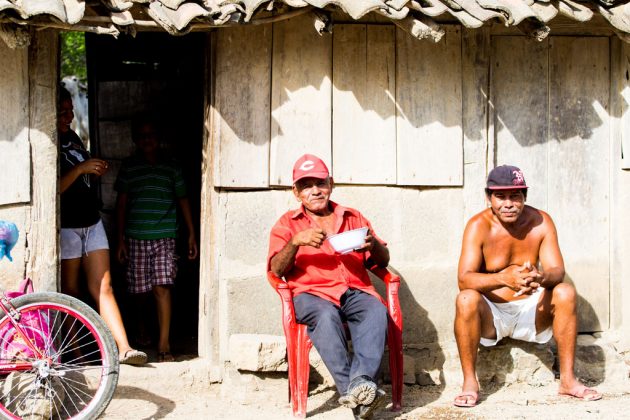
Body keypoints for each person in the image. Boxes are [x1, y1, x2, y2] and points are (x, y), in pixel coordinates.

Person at [453, 165, 602, 407]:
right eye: (500, 197)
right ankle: (470, 382)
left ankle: (567, 380)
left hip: (532, 312)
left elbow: (557, 271)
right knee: (466, 299)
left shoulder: (541, 222)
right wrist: (503, 278)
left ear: (525, 197)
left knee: (565, 292)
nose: (508, 204)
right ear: (488, 198)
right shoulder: (477, 226)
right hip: (492, 315)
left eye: (515, 196)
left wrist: (540, 278)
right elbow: (464, 280)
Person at [268, 154, 390, 419]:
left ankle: (361, 383)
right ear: (296, 192)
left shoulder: (352, 216)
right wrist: (295, 242)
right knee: (325, 315)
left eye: (320, 183)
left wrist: (373, 245)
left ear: (331, 184)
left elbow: (383, 261)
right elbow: (276, 270)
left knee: (375, 310)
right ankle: (357, 394)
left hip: (354, 289)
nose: (315, 190)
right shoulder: (287, 224)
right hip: (311, 294)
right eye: (306, 185)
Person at [58, 87, 147, 365]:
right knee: (70, 292)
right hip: (67, 228)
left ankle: (124, 349)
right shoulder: (48, 143)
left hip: (91, 221)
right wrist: (81, 169)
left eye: (70, 110)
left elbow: (78, 181)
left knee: (104, 286)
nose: (69, 116)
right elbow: (54, 189)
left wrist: (93, 171)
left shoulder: (71, 138)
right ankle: (77, 354)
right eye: (63, 112)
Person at [115, 118, 198, 362]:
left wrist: (192, 233)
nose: (147, 139)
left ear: (159, 138)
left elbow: (183, 200)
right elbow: (121, 205)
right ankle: (141, 325)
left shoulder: (171, 166)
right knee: (140, 292)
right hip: (136, 237)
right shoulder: (130, 167)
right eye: (141, 135)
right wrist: (120, 239)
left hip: (165, 237)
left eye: (151, 134)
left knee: (162, 287)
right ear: (135, 140)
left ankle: (164, 345)